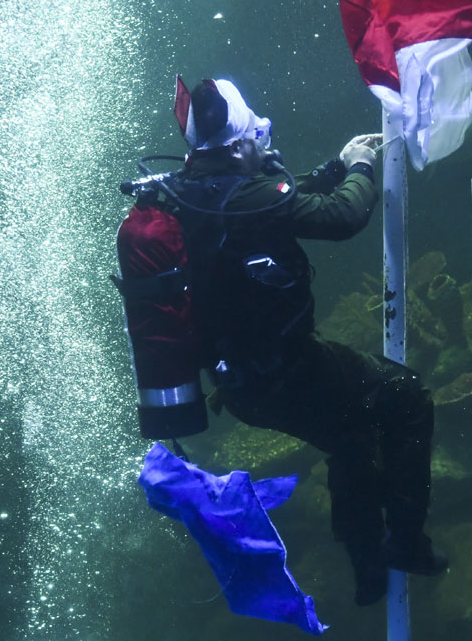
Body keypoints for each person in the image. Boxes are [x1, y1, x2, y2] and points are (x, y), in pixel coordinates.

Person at [134, 77, 446, 606]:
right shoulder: (247, 197)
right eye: (257, 135)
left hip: (240, 387)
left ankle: (369, 568)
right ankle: (407, 542)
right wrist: (361, 167)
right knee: (409, 397)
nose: (265, 142)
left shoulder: (186, 193)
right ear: (238, 147)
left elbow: (270, 202)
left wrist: (331, 168)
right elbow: (342, 217)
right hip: (290, 372)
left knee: (351, 438)